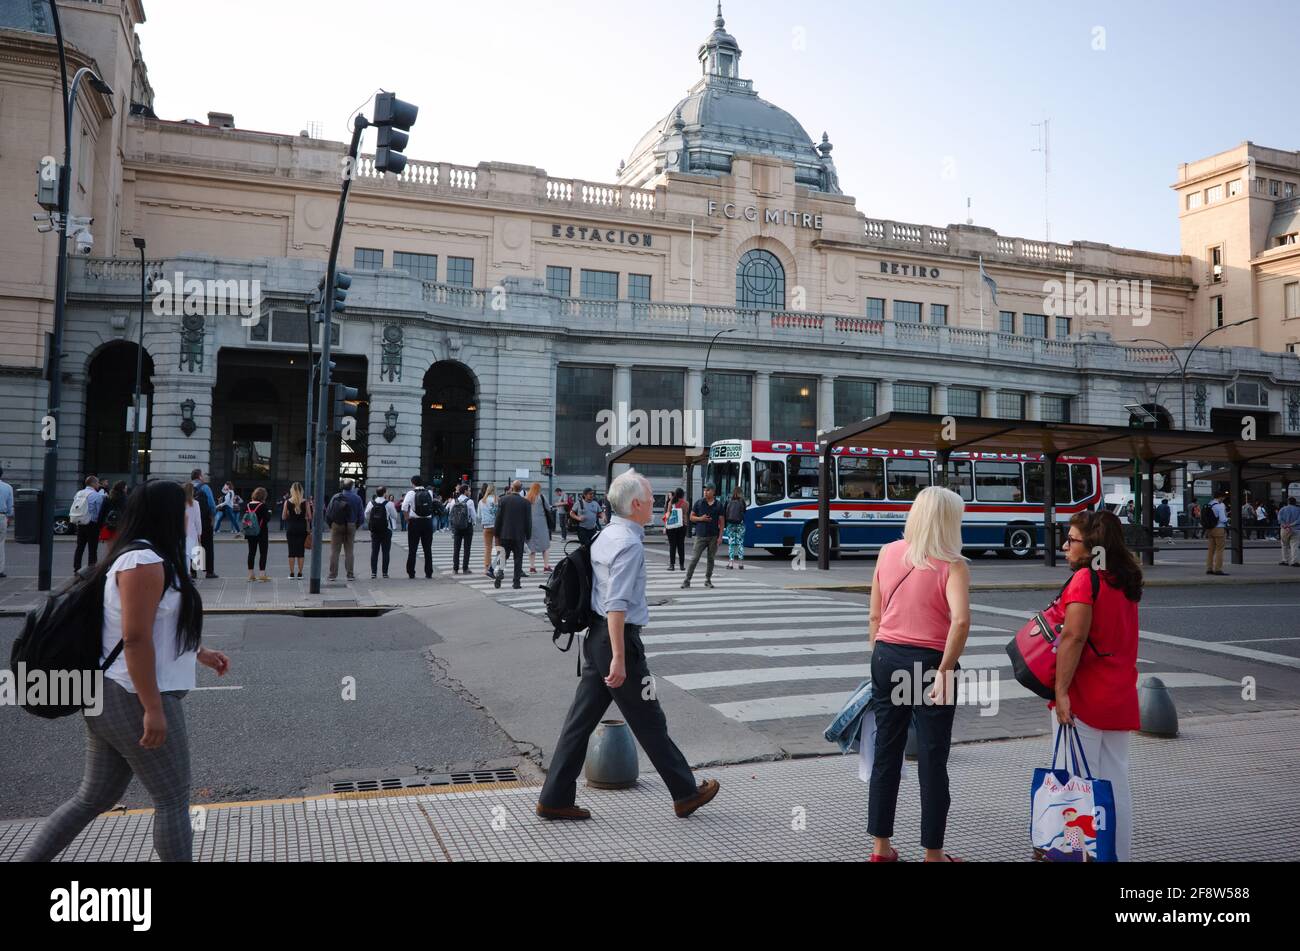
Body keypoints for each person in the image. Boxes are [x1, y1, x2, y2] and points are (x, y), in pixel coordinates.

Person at [20, 480, 231, 863]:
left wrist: (199, 652)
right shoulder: (143, 562)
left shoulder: (148, 557)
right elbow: (134, 639)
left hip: (114, 693)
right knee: (171, 799)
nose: (189, 514)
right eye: (184, 507)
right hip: (130, 694)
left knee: (93, 796)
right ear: (168, 513)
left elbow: (147, 627)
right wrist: (153, 708)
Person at [537, 470, 719, 822]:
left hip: (595, 639)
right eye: (651, 497)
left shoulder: (607, 534)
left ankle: (554, 797)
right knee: (650, 718)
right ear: (636, 504)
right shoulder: (630, 543)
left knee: (580, 722)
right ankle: (685, 792)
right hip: (618, 641)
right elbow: (617, 604)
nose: (655, 502)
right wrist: (620, 658)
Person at [867, 486, 971, 863]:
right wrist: (945, 669)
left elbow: (875, 616)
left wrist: (880, 657)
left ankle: (880, 849)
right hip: (930, 664)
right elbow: (959, 622)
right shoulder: (953, 564)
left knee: (886, 752)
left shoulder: (887, 552)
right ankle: (933, 854)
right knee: (931, 758)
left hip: (886, 656)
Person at [1052, 510, 1143, 862]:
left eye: (1072, 540)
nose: (1065, 546)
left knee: (1075, 786)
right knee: (1115, 783)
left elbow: (1073, 637)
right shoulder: (1125, 579)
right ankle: (1114, 854)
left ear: (1092, 547)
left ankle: (1076, 854)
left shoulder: (1084, 581)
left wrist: (1060, 692)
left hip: (1084, 698)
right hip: (1119, 694)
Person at [682, 483, 724, 589]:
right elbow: (691, 517)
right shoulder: (699, 503)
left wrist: (720, 536)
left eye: (708, 490)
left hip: (713, 536)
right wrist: (701, 519)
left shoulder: (718, 505)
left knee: (711, 559)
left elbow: (722, 521)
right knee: (694, 558)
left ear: (713, 492)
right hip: (700, 535)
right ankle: (687, 580)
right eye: (705, 490)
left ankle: (708, 580)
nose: (705, 492)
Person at [494, 480, 532, 589]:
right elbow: (528, 521)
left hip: (505, 534)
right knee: (518, 559)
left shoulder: (503, 500)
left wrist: (496, 532)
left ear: (512, 487)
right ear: (521, 489)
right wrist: (528, 534)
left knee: (503, 556)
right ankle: (516, 583)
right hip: (519, 535)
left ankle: (500, 572)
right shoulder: (526, 502)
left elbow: (499, 518)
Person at [325, 478, 364, 581]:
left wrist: (331, 525)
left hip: (336, 525)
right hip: (351, 525)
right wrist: (356, 525)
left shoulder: (335, 497)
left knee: (334, 551)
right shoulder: (357, 498)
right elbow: (361, 516)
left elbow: (328, 513)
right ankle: (350, 574)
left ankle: (332, 574)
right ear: (352, 487)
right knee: (349, 551)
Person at [401, 476, 436, 579]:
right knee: (427, 549)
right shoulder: (429, 492)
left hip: (415, 522)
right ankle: (428, 572)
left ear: (413, 483)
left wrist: (408, 519)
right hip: (427, 522)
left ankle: (411, 572)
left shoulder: (411, 493)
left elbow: (404, 507)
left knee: (413, 549)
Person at [364, 485, 399, 579]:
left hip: (375, 530)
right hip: (386, 530)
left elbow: (366, 514)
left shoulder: (371, 503)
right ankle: (385, 573)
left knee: (374, 552)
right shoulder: (389, 504)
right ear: (384, 493)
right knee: (386, 552)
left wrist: (372, 521)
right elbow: (395, 516)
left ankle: (373, 573)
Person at [71, 475, 104, 573]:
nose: (99, 484)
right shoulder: (96, 495)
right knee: (92, 548)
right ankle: (91, 568)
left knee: (80, 547)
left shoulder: (79, 493)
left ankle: (77, 568)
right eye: (97, 482)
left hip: (80, 522)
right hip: (92, 524)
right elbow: (98, 511)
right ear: (93, 483)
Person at [190, 470, 218, 579]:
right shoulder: (205, 487)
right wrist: (213, 516)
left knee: (193, 546)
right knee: (207, 546)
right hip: (205, 520)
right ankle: (209, 572)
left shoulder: (187, 487)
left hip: (190, 522)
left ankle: (193, 571)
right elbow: (211, 505)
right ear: (200, 476)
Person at [241, 487, 271, 582]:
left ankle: (251, 574)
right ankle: (262, 574)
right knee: (263, 553)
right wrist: (269, 513)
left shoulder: (248, 505)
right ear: (263, 496)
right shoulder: (263, 506)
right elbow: (266, 519)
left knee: (251, 552)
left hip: (250, 532)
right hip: (261, 532)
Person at [282, 482, 311, 579]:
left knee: (291, 552)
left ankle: (291, 573)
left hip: (291, 528)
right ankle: (300, 573)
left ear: (292, 490)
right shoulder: (305, 502)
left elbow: (283, 517)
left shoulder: (287, 502)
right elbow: (310, 517)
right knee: (300, 552)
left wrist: (290, 515)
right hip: (302, 528)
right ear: (301, 491)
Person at [446, 484, 477, 574]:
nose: (470, 492)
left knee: (456, 548)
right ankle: (465, 568)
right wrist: (473, 523)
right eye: (469, 490)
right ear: (465, 491)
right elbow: (473, 515)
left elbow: (450, 514)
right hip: (467, 526)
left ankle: (455, 568)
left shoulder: (454, 501)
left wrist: (453, 524)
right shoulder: (470, 501)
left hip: (457, 526)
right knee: (467, 548)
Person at [526, 482, 553, 573]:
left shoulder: (527, 498)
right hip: (541, 524)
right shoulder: (541, 497)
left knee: (531, 546)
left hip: (530, 524)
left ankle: (532, 567)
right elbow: (548, 509)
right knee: (545, 546)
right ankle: (546, 567)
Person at [663, 487, 688, 570]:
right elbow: (686, 513)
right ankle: (682, 565)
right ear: (682, 494)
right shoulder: (685, 503)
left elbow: (668, 513)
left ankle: (672, 565)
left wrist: (665, 525)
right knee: (681, 545)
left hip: (672, 526)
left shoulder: (671, 502)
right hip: (682, 525)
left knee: (672, 546)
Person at [1206, 489, 1229, 576]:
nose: (1223, 499)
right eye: (1223, 497)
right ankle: (1218, 569)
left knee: (1211, 550)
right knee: (1220, 549)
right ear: (1221, 497)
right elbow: (1223, 519)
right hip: (1219, 528)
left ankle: (1209, 568)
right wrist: (1228, 519)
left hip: (1210, 529)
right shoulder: (1220, 505)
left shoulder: (1210, 504)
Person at [98, 480, 128, 547]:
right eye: (126, 488)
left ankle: (111, 556)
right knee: (119, 545)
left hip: (109, 524)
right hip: (121, 525)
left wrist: (100, 526)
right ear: (122, 489)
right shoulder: (125, 499)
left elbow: (102, 512)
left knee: (110, 545)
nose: (126, 489)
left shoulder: (108, 497)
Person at [723, 486, 747, 569]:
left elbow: (725, 511)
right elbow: (744, 511)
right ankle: (741, 564)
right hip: (740, 524)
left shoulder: (728, 500)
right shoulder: (742, 501)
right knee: (740, 543)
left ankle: (731, 564)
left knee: (731, 544)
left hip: (730, 524)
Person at [479, 484, 499, 578]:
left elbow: (479, 516)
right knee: (498, 548)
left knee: (488, 548)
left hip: (486, 526)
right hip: (497, 526)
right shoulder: (497, 500)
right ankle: (497, 568)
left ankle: (486, 568)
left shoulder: (482, 501)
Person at [182, 481, 202, 580]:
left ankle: (186, 573)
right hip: (192, 531)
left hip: (181, 530)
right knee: (190, 554)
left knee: (184, 553)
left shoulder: (179, 503)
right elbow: (198, 520)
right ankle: (189, 573)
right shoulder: (195, 504)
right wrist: (199, 532)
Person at [1278, 496, 1300, 567]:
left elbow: (1279, 518)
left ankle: (1285, 560)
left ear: (1288, 502)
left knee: (1284, 545)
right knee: (1294, 546)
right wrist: (1291, 525)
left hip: (1284, 529)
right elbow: (1299, 520)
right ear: (1295, 502)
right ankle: (1295, 561)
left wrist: (1285, 526)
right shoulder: (1298, 509)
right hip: (1296, 529)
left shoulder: (1282, 509)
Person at [0, 465, 12, 579]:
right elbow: (10, 506)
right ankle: (0, 570)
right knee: (1, 543)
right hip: (1, 516)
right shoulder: (7, 487)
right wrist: (9, 516)